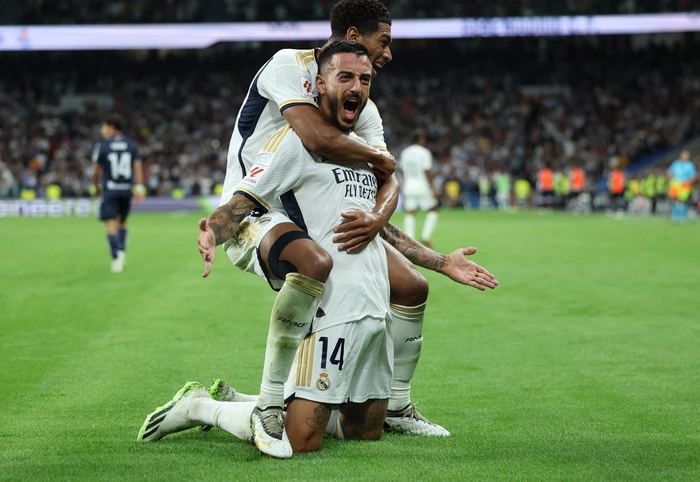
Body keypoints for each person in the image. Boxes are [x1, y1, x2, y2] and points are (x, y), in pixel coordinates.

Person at [137, 42, 498, 457]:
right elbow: (246, 201)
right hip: (331, 316)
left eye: (365, 80)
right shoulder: (294, 142)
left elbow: (380, 228)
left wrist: (440, 262)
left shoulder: (361, 147)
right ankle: (201, 406)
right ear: (320, 82)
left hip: (374, 313)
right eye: (346, 77)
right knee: (302, 440)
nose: (358, 87)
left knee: (364, 432)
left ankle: (246, 400)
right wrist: (212, 233)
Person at [91, 114, 145, 273]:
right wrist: (139, 188)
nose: (102, 130)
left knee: (111, 225)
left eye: (104, 126)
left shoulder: (104, 146)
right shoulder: (131, 144)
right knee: (122, 223)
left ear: (111, 127)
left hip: (110, 190)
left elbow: (96, 171)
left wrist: (95, 186)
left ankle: (117, 257)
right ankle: (121, 252)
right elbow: (137, 167)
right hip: (126, 189)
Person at [398, 132, 439, 247]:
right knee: (433, 209)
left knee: (410, 212)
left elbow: (402, 170)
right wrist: (433, 188)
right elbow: (427, 171)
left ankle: (410, 240)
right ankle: (425, 236)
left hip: (408, 185)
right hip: (422, 185)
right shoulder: (424, 152)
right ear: (420, 140)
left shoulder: (405, 152)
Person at [667, 149, 697, 223]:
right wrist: (671, 179)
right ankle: (675, 216)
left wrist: (689, 181)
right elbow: (669, 172)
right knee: (674, 199)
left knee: (683, 200)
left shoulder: (689, 165)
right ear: (681, 155)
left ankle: (682, 216)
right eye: (684, 154)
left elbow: (694, 176)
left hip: (685, 184)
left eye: (687, 155)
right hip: (676, 183)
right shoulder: (675, 164)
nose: (685, 156)